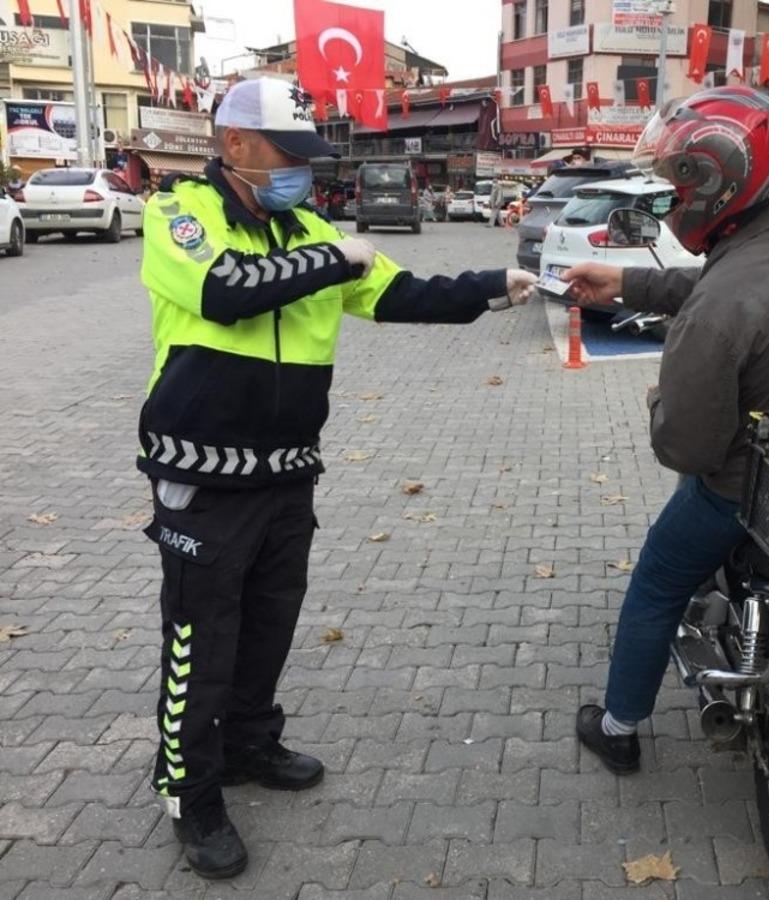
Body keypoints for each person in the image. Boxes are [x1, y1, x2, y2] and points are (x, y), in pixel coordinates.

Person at [137, 78, 536, 879]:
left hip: (288, 471)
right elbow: (224, 292)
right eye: (289, 153)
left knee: (270, 623)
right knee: (200, 639)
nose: (302, 171)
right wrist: (331, 258)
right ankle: (190, 789)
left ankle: (251, 743)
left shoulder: (309, 226)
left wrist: (492, 287)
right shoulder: (180, 215)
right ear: (236, 144)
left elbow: (397, 292)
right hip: (203, 477)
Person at [560, 86, 769, 775]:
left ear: (714, 184)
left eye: (676, 181)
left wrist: (663, 399)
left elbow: (687, 447)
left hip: (759, 487)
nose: (669, 196)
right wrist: (624, 282)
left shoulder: (717, 311)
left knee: (656, 578)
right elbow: (734, 285)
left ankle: (619, 727)